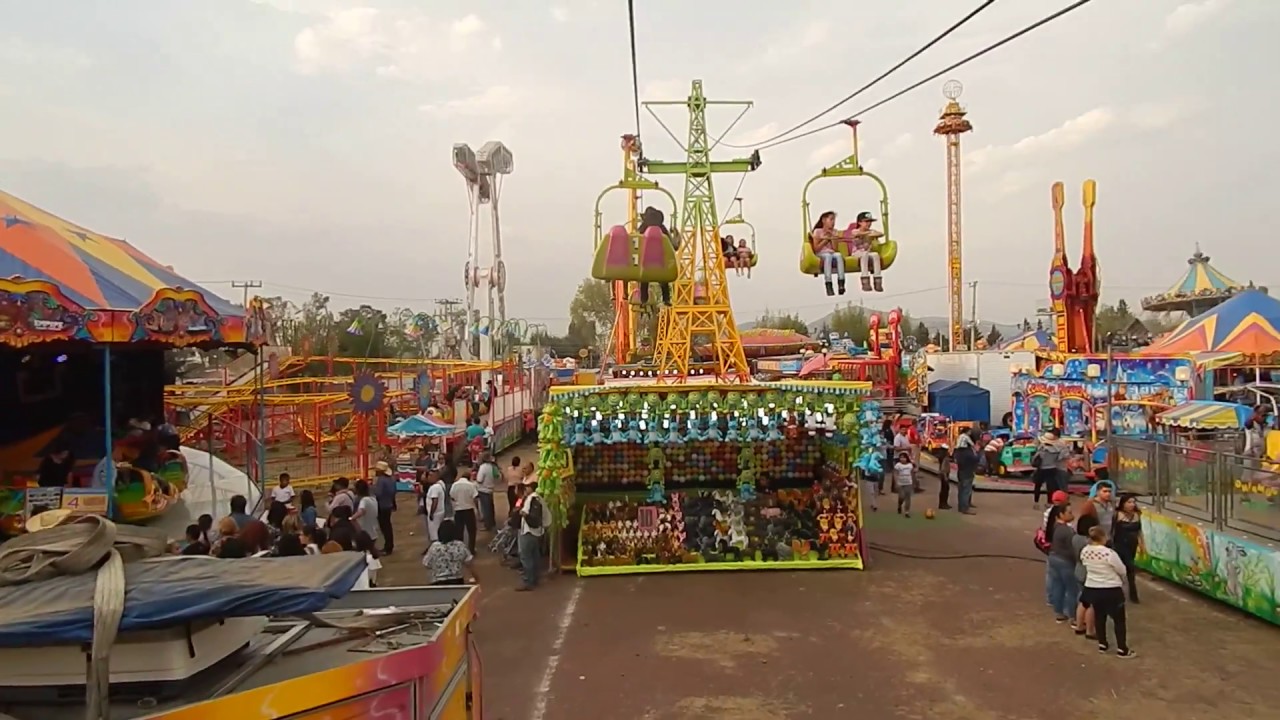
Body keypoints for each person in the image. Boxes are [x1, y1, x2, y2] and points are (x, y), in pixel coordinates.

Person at [1079, 525, 1136, 657]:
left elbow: (1084, 564)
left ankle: (1102, 644)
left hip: (1093, 587)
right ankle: (1122, 649)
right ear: (1103, 537)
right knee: (1119, 620)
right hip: (1111, 589)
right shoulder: (1109, 553)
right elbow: (1122, 569)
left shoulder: (1085, 551)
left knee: (1100, 616)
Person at [1046, 504, 1079, 623]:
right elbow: (1072, 549)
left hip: (1054, 558)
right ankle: (1073, 616)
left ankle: (1059, 612)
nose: (1072, 515)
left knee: (1058, 586)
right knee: (1071, 589)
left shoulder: (1055, 526)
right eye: (1069, 512)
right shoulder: (1067, 531)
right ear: (1061, 514)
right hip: (1065, 561)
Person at [422, 519, 478, 585]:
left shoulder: (434, 547)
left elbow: (426, 564)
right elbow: (469, 563)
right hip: (457, 581)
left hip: (437, 582)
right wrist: (475, 577)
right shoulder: (460, 545)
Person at [515, 471, 545, 591]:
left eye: (527, 487)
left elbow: (527, 514)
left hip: (528, 531)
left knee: (526, 556)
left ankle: (528, 581)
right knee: (534, 555)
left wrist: (524, 514)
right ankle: (535, 578)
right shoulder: (538, 499)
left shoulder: (531, 499)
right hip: (536, 531)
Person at [1111, 493, 1142, 603]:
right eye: (1129, 502)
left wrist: (1142, 543)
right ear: (1123, 504)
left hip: (1132, 545)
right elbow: (1112, 531)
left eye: (1133, 502)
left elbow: (1139, 531)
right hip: (1120, 545)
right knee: (1122, 569)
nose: (1132, 505)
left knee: (1130, 569)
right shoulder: (1117, 514)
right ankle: (1119, 593)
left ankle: (1133, 595)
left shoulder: (1137, 514)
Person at [1072, 514, 1099, 638]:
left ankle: (1079, 625)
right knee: (1091, 603)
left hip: (1078, 570)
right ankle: (1089, 629)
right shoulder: (1088, 542)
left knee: (1082, 600)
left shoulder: (1075, 538)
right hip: (1088, 573)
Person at [809, 210, 847, 296]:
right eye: (831, 220)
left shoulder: (834, 231)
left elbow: (835, 249)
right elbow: (816, 249)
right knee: (828, 257)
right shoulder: (817, 232)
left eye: (834, 220)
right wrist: (825, 240)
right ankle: (828, 283)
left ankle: (841, 282)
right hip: (821, 253)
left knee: (839, 256)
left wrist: (833, 238)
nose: (833, 222)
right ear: (824, 220)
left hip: (832, 252)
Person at [848, 211, 884, 292]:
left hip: (867, 252)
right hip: (857, 253)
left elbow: (880, 233)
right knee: (864, 255)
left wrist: (872, 234)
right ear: (860, 222)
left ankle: (877, 280)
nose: (868, 224)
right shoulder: (855, 231)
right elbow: (856, 234)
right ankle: (865, 280)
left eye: (870, 222)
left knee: (875, 255)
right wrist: (867, 234)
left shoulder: (871, 231)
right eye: (866, 221)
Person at [450, 466, 480, 554]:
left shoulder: (455, 485)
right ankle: (471, 549)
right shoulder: (470, 485)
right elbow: (475, 498)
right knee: (472, 531)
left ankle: (460, 549)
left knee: (459, 531)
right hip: (469, 510)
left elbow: (452, 497)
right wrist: (477, 509)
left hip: (458, 510)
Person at [1031, 431, 1063, 508]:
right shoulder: (1056, 450)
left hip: (1042, 469)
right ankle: (1049, 502)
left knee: (1037, 486)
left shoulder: (1042, 449)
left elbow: (1035, 459)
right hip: (1052, 469)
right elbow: (1059, 458)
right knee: (1050, 487)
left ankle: (1036, 502)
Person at [372, 461, 398, 555]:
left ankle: (388, 547)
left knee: (384, 527)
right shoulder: (391, 479)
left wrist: (372, 488)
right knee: (388, 526)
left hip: (382, 505)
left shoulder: (381, 480)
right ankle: (389, 546)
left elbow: (378, 493)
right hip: (388, 504)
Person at [954, 429, 980, 515]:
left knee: (961, 489)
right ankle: (964, 507)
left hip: (961, 471)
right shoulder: (967, 452)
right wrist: (977, 452)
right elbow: (975, 459)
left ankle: (962, 506)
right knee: (966, 489)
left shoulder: (958, 452)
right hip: (967, 472)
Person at [475, 452, 499, 532]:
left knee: (485, 509)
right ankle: (492, 523)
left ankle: (487, 525)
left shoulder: (483, 467)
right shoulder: (492, 466)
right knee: (490, 508)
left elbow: (479, 479)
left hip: (483, 489)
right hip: (490, 489)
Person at [422, 469, 447, 545]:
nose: (429, 477)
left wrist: (431, 513)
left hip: (435, 513)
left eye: (431, 475)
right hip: (440, 511)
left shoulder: (434, 487)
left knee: (434, 533)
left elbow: (435, 501)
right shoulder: (441, 484)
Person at [351, 479, 380, 545]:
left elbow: (361, 511)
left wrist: (352, 518)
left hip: (365, 532)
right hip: (373, 531)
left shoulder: (364, 500)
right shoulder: (373, 499)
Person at [893, 451, 915, 517]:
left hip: (908, 483)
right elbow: (895, 474)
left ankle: (907, 512)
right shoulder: (898, 465)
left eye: (904, 458)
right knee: (901, 496)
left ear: (907, 458)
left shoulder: (910, 465)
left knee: (908, 498)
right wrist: (896, 482)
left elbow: (912, 474)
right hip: (900, 483)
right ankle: (899, 505)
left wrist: (914, 483)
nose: (902, 459)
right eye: (901, 458)